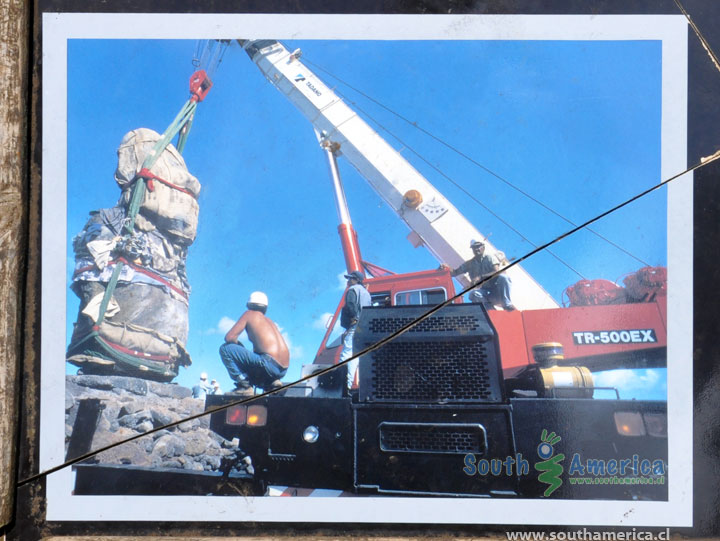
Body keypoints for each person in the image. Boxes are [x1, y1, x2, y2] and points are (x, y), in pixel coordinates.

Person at [219, 291, 290, 396]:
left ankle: (244, 386)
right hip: (283, 370)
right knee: (256, 362)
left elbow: (229, 337)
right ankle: (273, 383)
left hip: (268, 364)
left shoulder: (249, 314)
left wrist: (239, 345)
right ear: (265, 307)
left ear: (249, 305)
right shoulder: (269, 321)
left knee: (225, 349)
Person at [451, 239, 515, 311]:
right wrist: (445, 268)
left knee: (504, 277)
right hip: (485, 293)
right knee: (473, 294)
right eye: (474, 247)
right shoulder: (469, 264)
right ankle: (491, 311)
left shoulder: (489, 258)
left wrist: (481, 277)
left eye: (478, 246)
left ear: (483, 248)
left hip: (497, 293)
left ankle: (507, 304)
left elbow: (497, 271)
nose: (476, 249)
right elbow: (455, 273)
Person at [339, 270, 371, 389]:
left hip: (355, 324)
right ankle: (348, 383)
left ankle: (343, 384)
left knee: (346, 353)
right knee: (355, 356)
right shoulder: (366, 293)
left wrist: (353, 318)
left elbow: (350, 304)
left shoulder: (352, 290)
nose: (348, 281)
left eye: (350, 278)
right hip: (364, 326)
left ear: (357, 280)